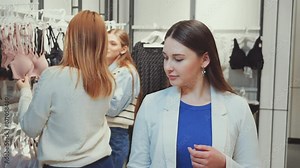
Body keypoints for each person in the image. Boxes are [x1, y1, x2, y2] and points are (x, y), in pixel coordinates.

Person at [127, 20, 261, 168]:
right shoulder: (151, 104)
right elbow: (137, 164)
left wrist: (224, 164)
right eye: (165, 58)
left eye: (178, 59)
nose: (168, 67)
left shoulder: (237, 107)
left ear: (204, 60)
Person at [16, 10, 115, 168]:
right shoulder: (107, 80)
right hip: (103, 161)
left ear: (70, 39)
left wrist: (25, 91)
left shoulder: (54, 77)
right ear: (102, 42)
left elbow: (30, 127)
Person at [105, 29, 140, 168]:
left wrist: (90, 102)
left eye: (113, 44)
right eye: (105, 42)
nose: (107, 46)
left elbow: (113, 108)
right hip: (103, 131)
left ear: (123, 49)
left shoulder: (125, 72)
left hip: (115, 134)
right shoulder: (106, 70)